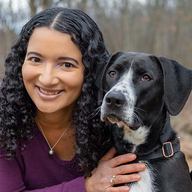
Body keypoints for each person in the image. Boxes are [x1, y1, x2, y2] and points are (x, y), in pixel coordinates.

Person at [0, 7, 146, 192]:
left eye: (66, 64)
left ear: (90, 71)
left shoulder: (111, 112)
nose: (47, 79)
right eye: (36, 59)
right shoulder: (4, 111)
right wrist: (87, 187)